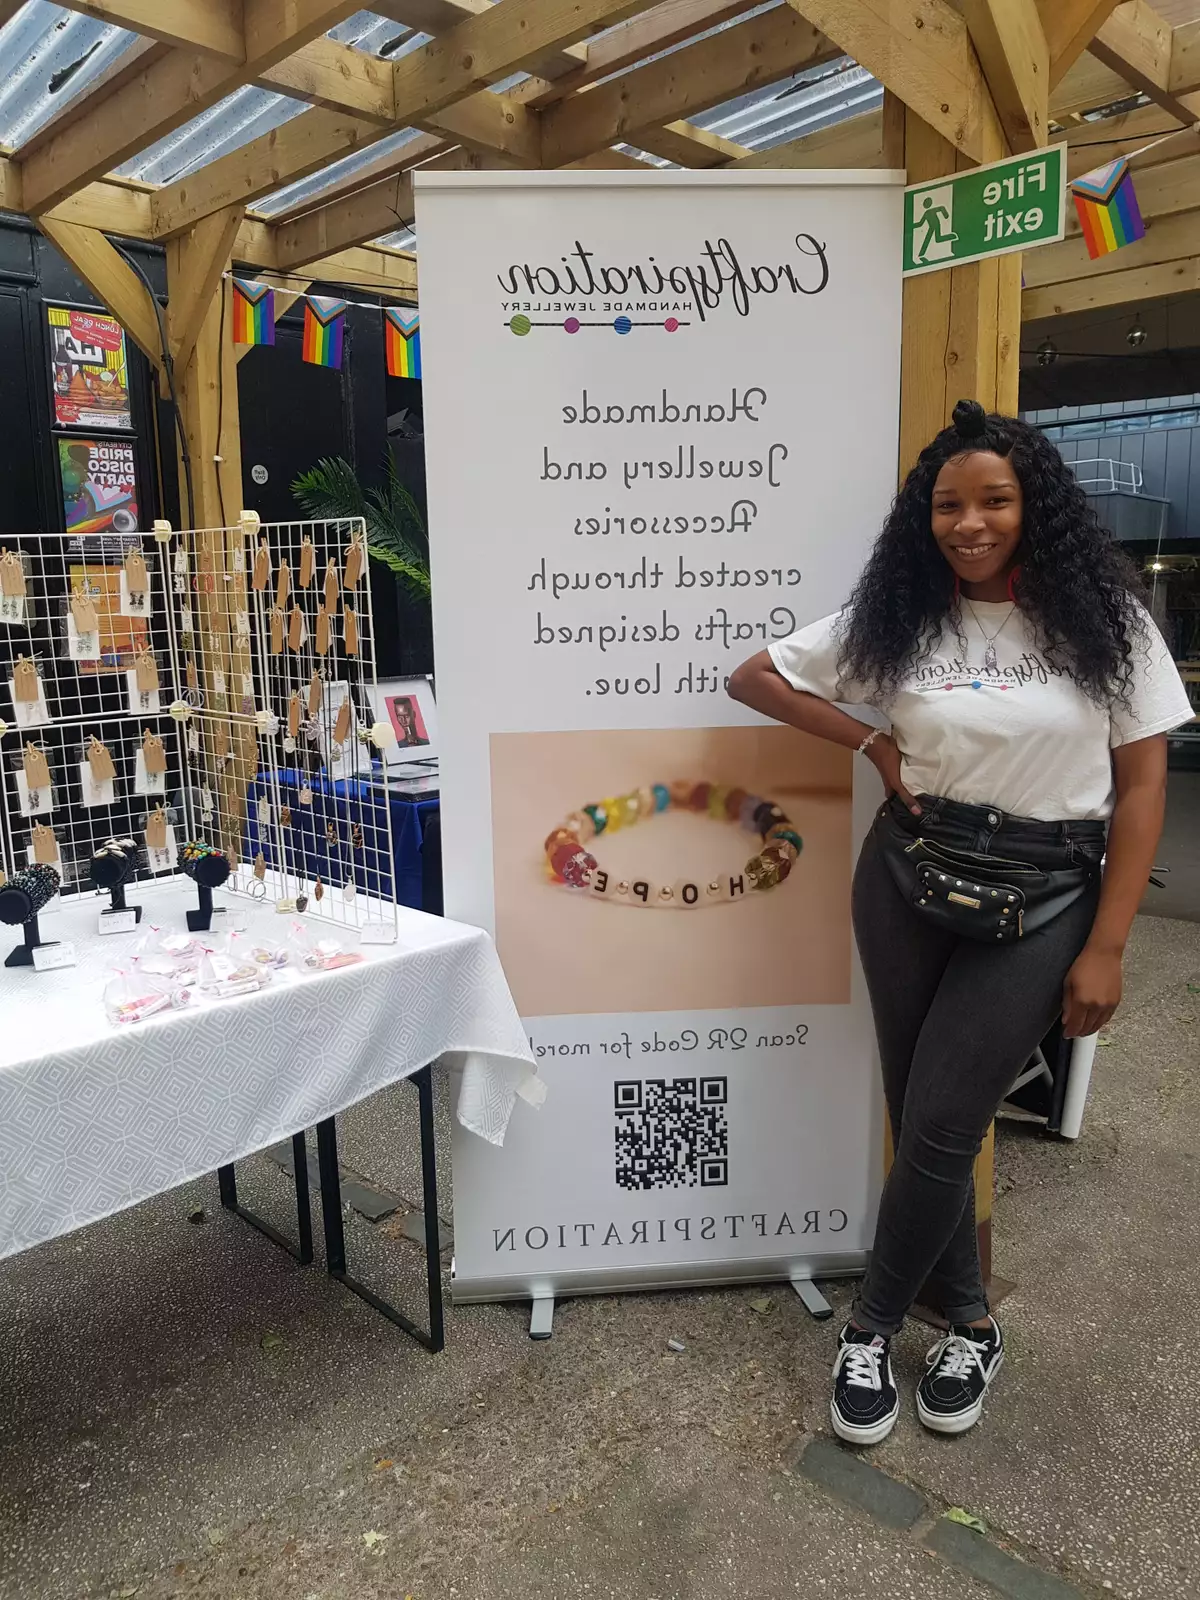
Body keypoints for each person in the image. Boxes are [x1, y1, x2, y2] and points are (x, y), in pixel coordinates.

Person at [728, 398, 1192, 1445]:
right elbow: (754, 676)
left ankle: (871, 1326)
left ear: (1038, 507)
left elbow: (1145, 789)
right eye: (948, 503)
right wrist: (875, 748)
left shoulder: (1110, 626)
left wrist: (1109, 945)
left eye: (994, 499)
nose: (969, 522)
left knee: (939, 1121)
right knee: (926, 1115)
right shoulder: (903, 615)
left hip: (1047, 894)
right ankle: (974, 1324)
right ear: (923, 516)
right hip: (907, 883)